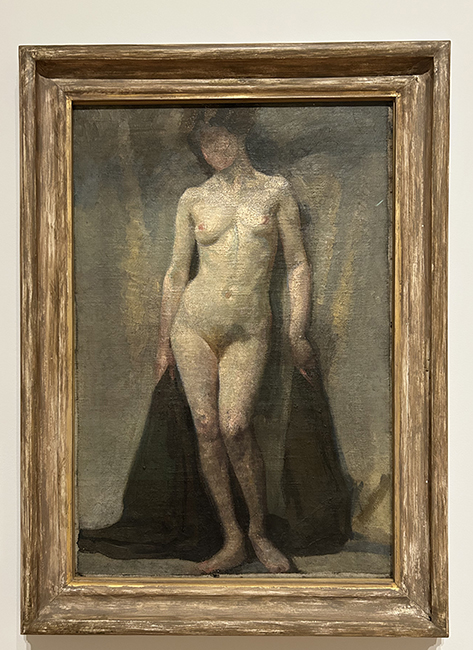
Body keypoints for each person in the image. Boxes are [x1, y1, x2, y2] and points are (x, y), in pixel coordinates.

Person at [155, 108, 316, 574]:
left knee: (236, 426)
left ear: (239, 132)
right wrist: (163, 344)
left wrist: (298, 331)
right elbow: (176, 273)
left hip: (248, 328)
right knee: (207, 427)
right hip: (192, 326)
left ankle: (259, 532)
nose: (213, 150)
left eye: (219, 137)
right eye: (204, 143)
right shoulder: (193, 198)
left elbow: (298, 265)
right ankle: (232, 539)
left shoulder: (276, 191)